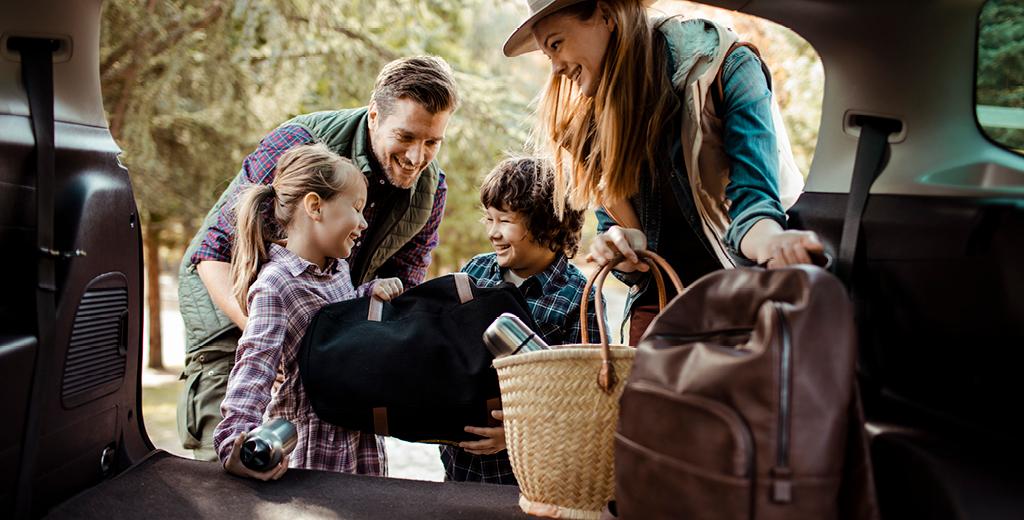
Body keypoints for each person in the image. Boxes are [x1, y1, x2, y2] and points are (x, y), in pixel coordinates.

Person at [177, 55, 458, 460]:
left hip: (321, 334)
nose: (417, 156)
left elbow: (401, 294)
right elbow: (212, 253)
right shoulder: (299, 141)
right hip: (234, 317)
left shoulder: (431, 192)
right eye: (407, 137)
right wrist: (273, 342)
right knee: (231, 471)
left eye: (432, 142)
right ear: (375, 115)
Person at [504, 0, 825, 344]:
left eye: (556, 44)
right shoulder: (589, 128)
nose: (555, 69)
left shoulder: (726, 66)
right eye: (547, 55)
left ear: (606, 14)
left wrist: (774, 243)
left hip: (739, 304)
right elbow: (623, 236)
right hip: (660, 318)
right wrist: (620, 246)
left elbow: (754, 205)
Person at [213, 143, 404, 480]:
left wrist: (366, 294)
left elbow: (335, 323)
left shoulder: (337, 270)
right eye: (357, 208)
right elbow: (254, 368)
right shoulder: (276, 284)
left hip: (359, 444)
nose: (362, 222)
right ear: (315, 206)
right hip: (314, 452)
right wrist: (234, 445)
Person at [439, 156, 606, 485]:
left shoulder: (580, 298)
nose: (493, 232)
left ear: (548, 223)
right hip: (460, 468)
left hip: (528, 475)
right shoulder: (475, 272)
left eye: (504, 220)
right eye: (488, 219)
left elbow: (585, 399)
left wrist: (515, 435)